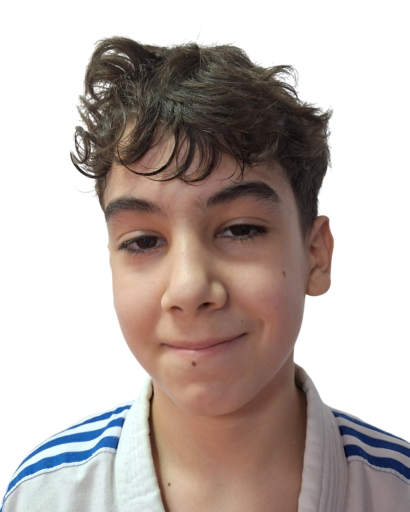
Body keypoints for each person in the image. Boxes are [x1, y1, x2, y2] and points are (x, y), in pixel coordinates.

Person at [2, 34, 409, 512]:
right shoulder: (44, 494)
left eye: (240, 230)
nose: (190, 288)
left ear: (316, 256)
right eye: (144, 241)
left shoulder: (399, 490)